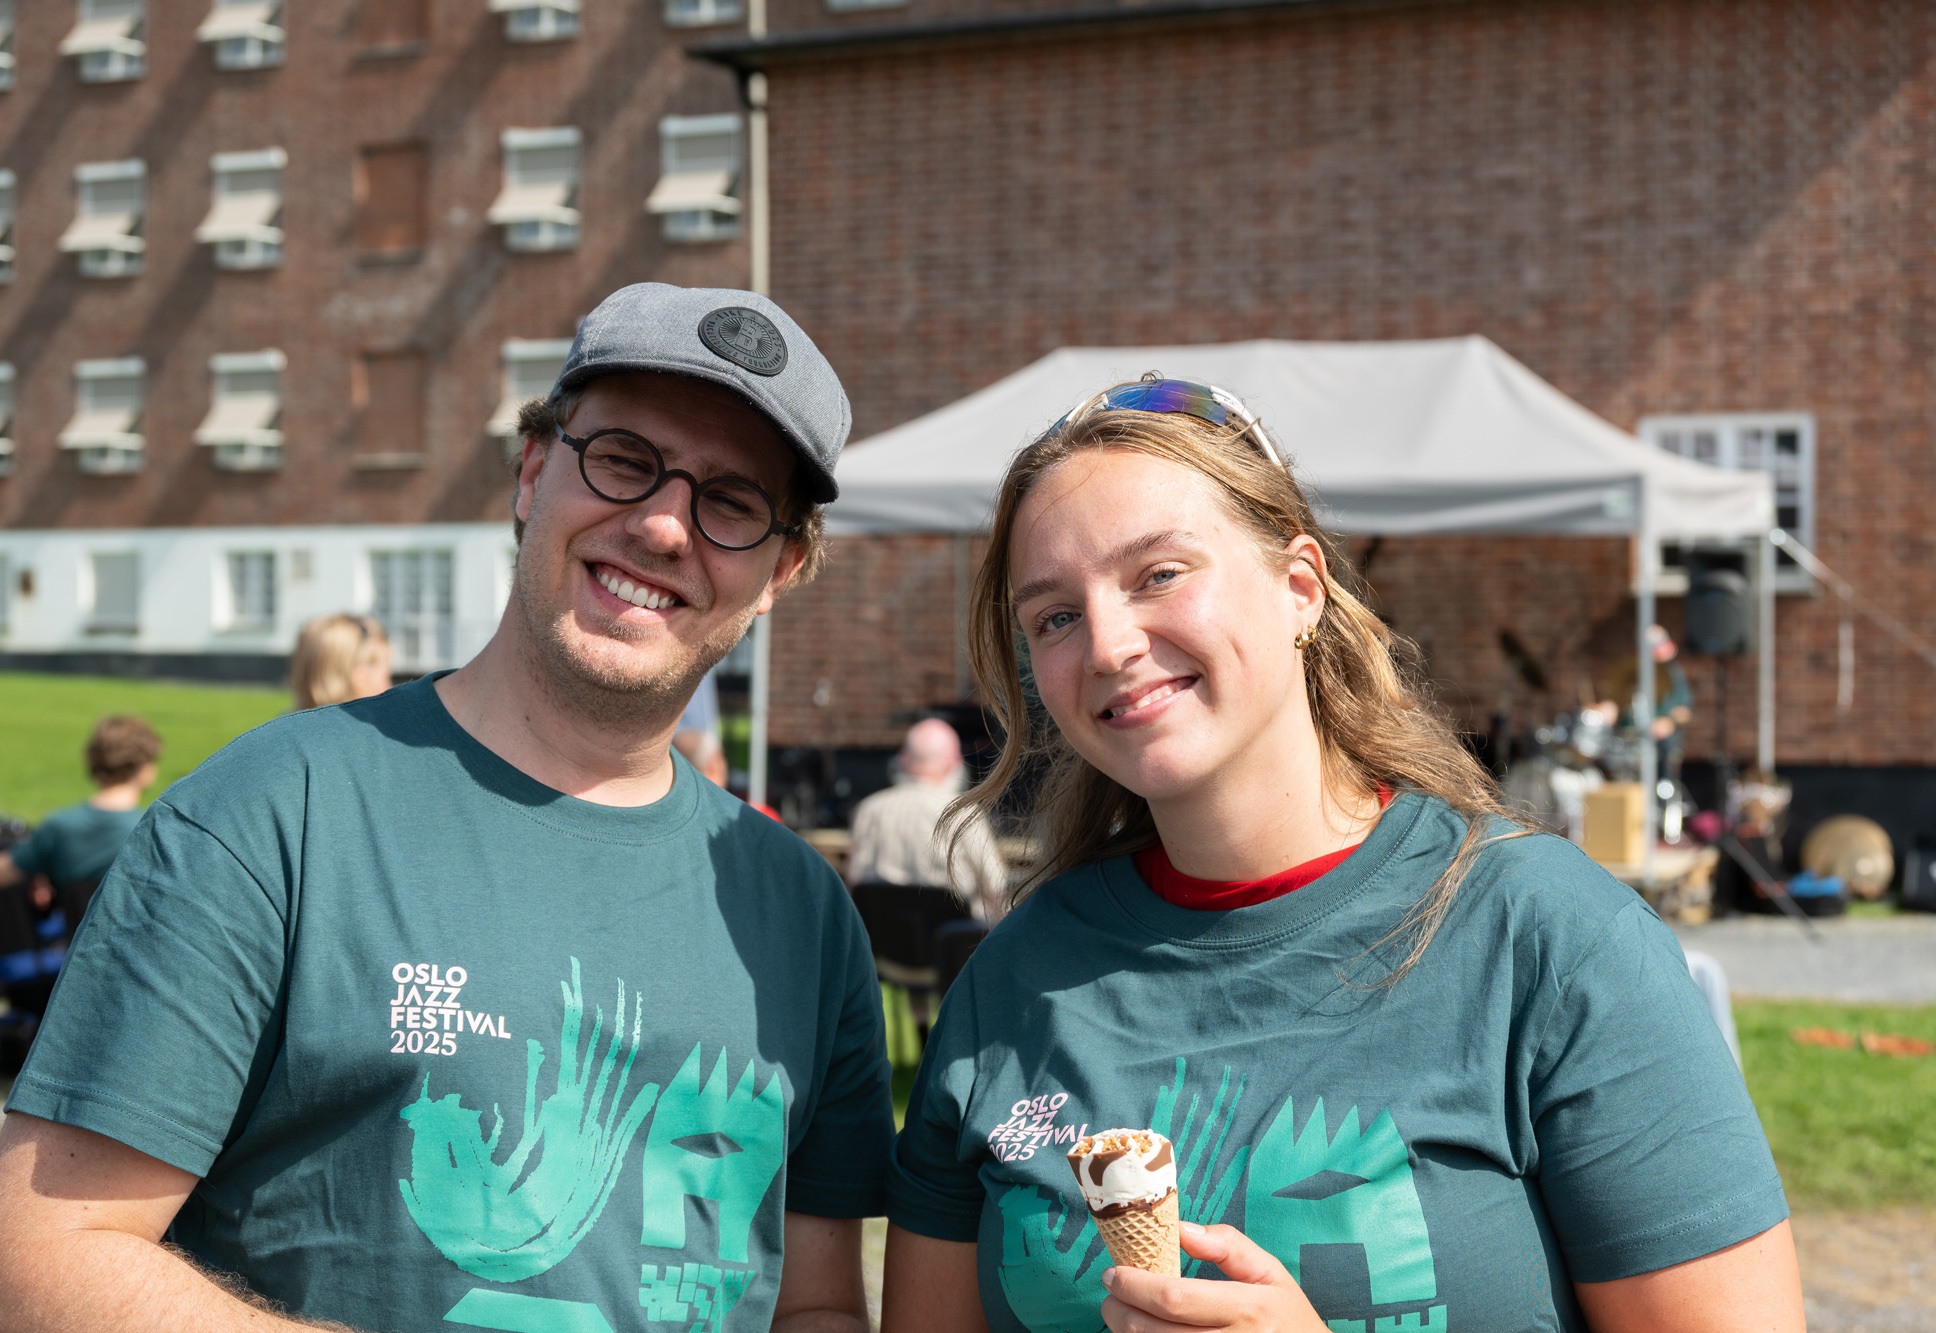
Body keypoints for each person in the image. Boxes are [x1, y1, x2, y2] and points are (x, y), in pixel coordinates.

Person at [0, 284, 894, 1333]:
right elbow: (43, 1258)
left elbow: (814, 1305)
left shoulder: (800, 907)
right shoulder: (272, 815)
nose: (660, 524)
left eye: (732, 501)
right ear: (531, 469)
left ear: (781, 569)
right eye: (623, 459)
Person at [880, 378, 1803, 1333]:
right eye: (1055, 617)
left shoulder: (1550, 937)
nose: (1109, 643)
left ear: (1301, 588)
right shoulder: (1014, 979)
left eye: (1158, 573)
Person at [845, 718, 1011, 925]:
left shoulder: (868, 810)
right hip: (953, 946)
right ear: (955, 762)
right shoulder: (963, 813)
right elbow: (996, 886)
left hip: (882, 944)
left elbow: (855, 884)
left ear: (903, 759)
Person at [0, 714, 161, 913]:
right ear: (145, 768)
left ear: (92, 761)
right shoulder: (154, 832)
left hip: (74, 940)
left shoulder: (59, 826)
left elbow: (5, 873)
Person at [288, 613, 393, 709]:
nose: (391, 687)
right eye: (386, 676)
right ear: (360, 677)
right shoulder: (373, 728)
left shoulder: (284, 726)